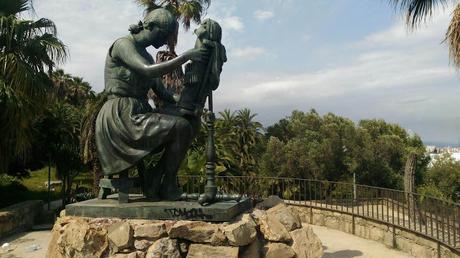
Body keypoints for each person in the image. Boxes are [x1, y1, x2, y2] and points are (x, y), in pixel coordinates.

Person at [95, 8, 208, 201]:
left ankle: (159, 179)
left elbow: (164, 93)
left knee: (190, 122)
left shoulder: (146, 55)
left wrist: (191, 103)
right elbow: (148, 71)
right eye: (164, 35)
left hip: (139, 112)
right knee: (179, 127)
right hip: (120, 117)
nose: (166, 41)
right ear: (152, 27)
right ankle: (162, 182)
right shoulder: (123, 45)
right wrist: (186, 56)